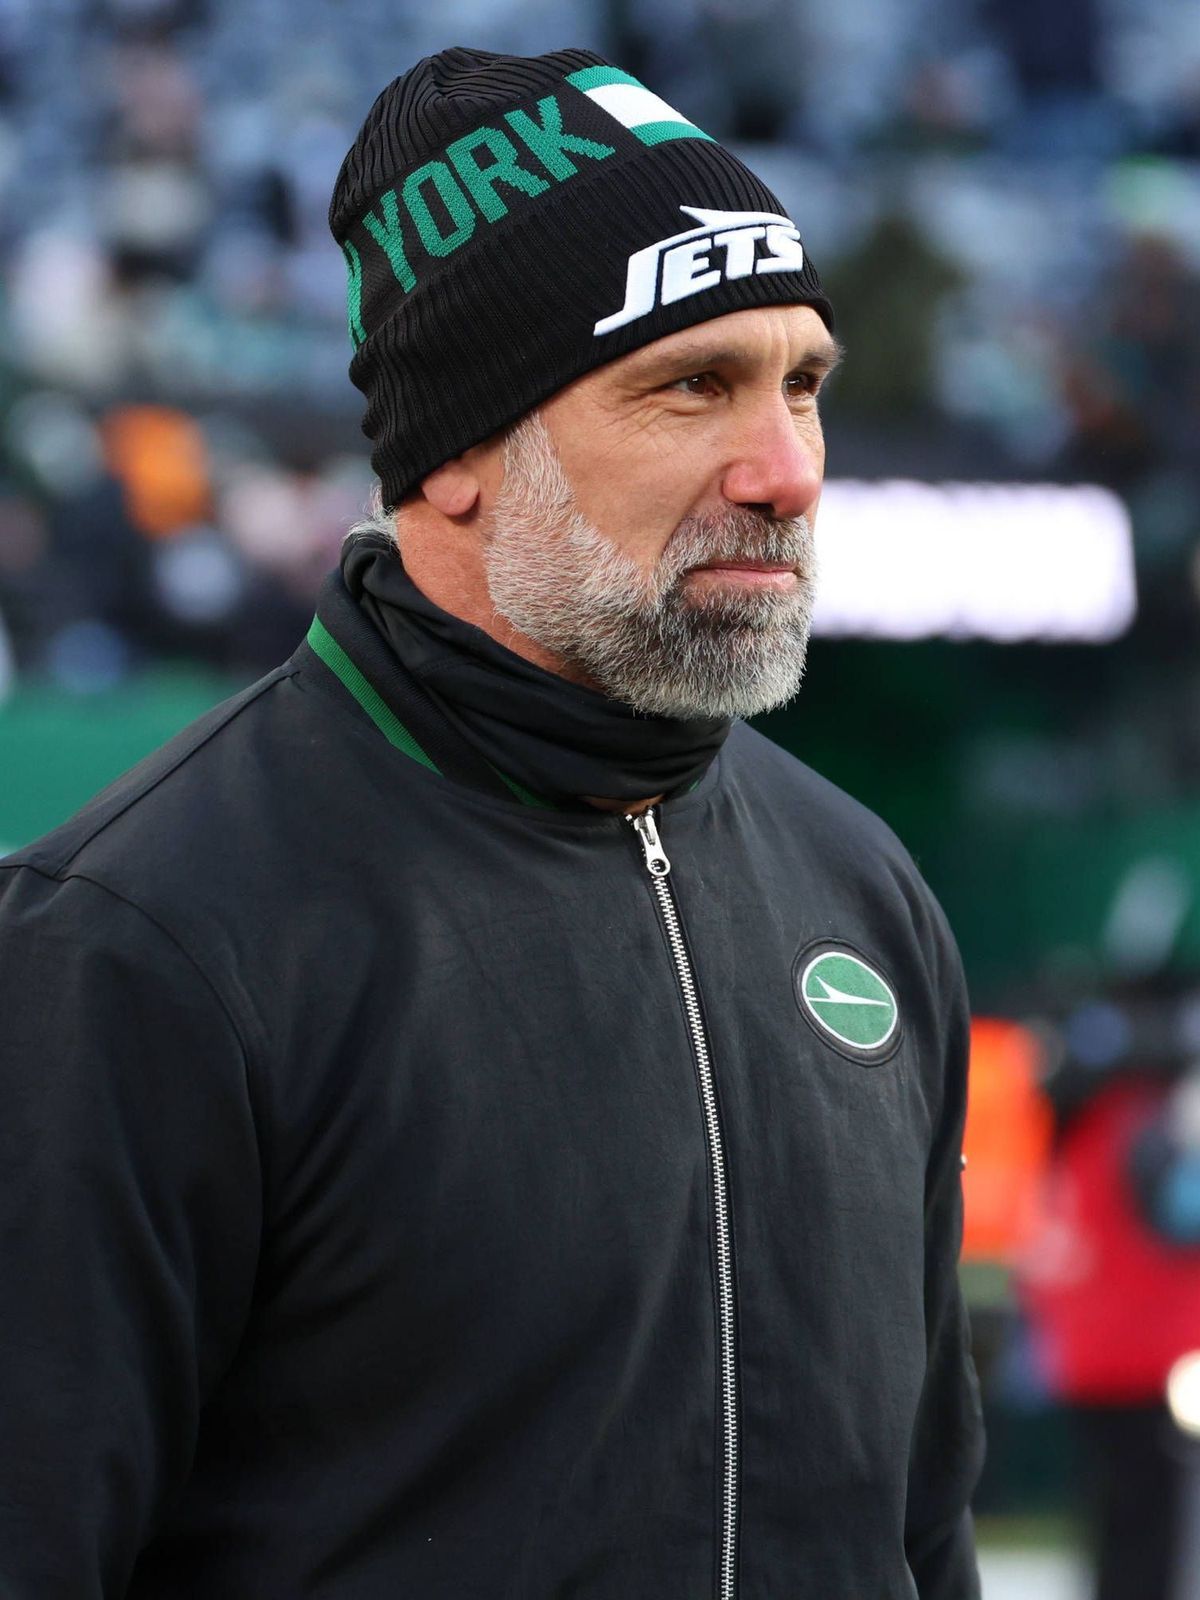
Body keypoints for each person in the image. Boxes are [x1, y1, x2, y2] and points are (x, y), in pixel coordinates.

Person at [0, 46, 984, 1599]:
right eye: (690, 385)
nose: (790, 471)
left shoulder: (860, 893)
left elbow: (920, 1540)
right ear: (457, 447)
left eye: (803, 383)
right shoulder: (138, 942)